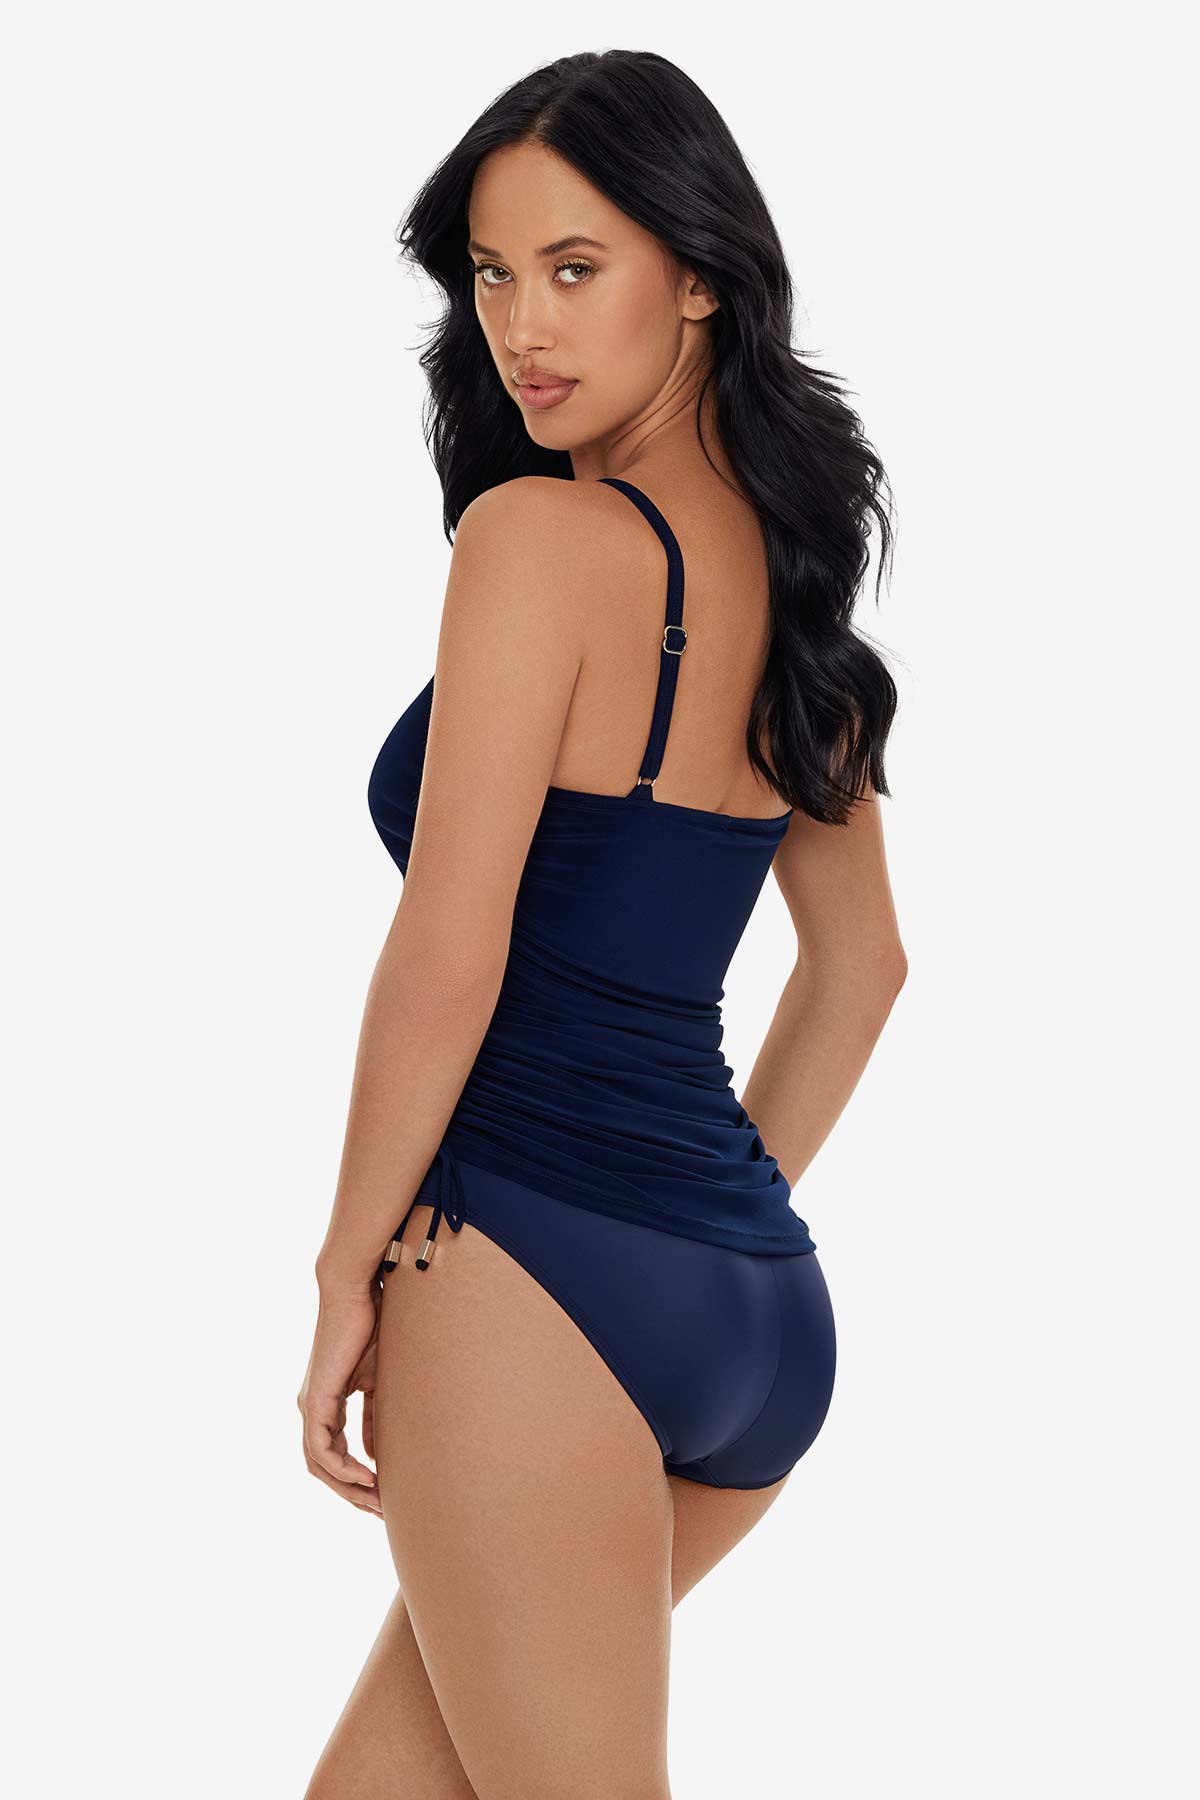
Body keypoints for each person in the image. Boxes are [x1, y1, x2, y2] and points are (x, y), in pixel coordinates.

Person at [298, 48, 906, 1800]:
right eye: (494, 275)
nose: (523, 327)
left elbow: (450, 949)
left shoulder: (535, 543)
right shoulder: (792, 582)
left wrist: (343, 1276)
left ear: (699, 274)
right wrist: (700, 1221)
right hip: (749, 1312)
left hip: (521, 1272)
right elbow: (865, 968)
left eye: (576, 268)